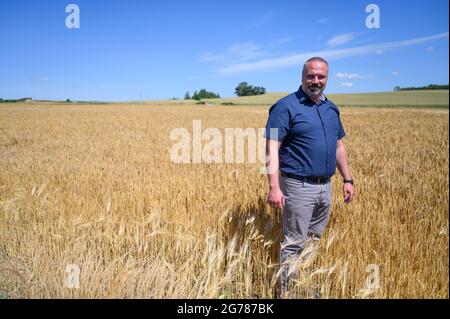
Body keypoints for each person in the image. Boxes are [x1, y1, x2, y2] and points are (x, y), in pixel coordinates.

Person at [264, 57, 355, 296]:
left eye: (321, 77)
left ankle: (304, 284)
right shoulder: (284, 107)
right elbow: (271, 147)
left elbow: (339, 146)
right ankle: (289, 293)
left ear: (327, 78)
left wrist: (348, 179)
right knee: (294, 243)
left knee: (313, 241)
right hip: (297, 186)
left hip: (326, 186)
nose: (316, 81)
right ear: (302, 77)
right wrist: (274, 186)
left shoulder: (331, 109)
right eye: (311, 76)